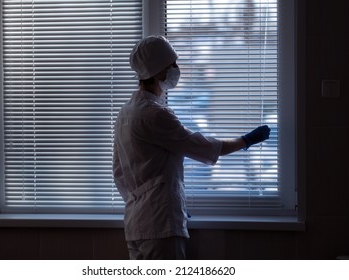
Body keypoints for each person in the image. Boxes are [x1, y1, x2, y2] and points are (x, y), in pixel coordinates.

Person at [112, 35, 270, 260]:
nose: (177, 69)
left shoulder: (125, 113)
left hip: (135, 223)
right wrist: (246, 140)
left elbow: (119, 173)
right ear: (157, 71)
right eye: (172, 65)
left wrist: (142, 201)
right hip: (160, 225)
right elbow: (203, 147)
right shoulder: (155, 115)